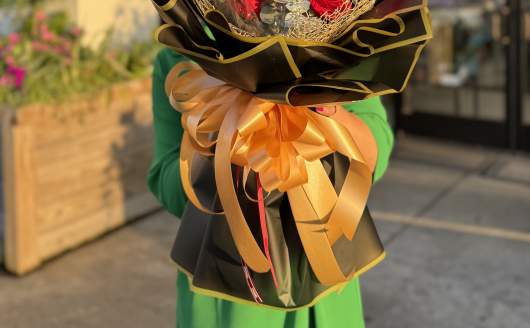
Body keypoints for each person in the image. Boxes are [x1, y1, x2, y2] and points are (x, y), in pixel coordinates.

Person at [148, 47, 394, 328]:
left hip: (323, 284)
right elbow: (166, 181)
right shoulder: (180, 57)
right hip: (222, 286)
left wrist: (326, 113)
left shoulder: (337, 49)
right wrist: (225, 137)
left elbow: (376, 152)